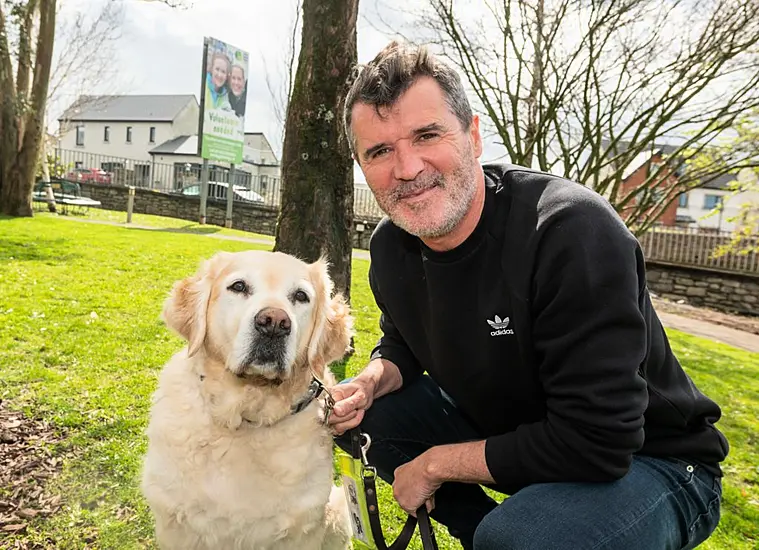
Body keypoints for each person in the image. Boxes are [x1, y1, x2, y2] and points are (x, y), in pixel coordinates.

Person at [330, 40, 729, 550]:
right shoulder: (391, 247)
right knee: (368, 421)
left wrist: (434, 465)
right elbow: (403, 344)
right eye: (380, 151)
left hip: (655, 460)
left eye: (427, 135)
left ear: (473, 137)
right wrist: (367, 383)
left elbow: (597, 443)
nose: (407, 168)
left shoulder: (570, 231)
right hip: (526, 437)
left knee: (520, 537)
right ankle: (481, 537)